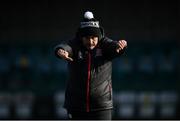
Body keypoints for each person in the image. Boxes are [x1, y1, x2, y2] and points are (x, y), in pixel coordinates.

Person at [54, 11, 127, 120]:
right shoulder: (75, 44)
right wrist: (61, 51)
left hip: (101, 106)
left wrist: (120, 46)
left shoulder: (104, 44)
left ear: (99, 36)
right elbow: (65, 47)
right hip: (76, 106)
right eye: (87, 38)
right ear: (81, 37)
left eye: (94, 38)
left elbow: (113, 47)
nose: (91, 41)